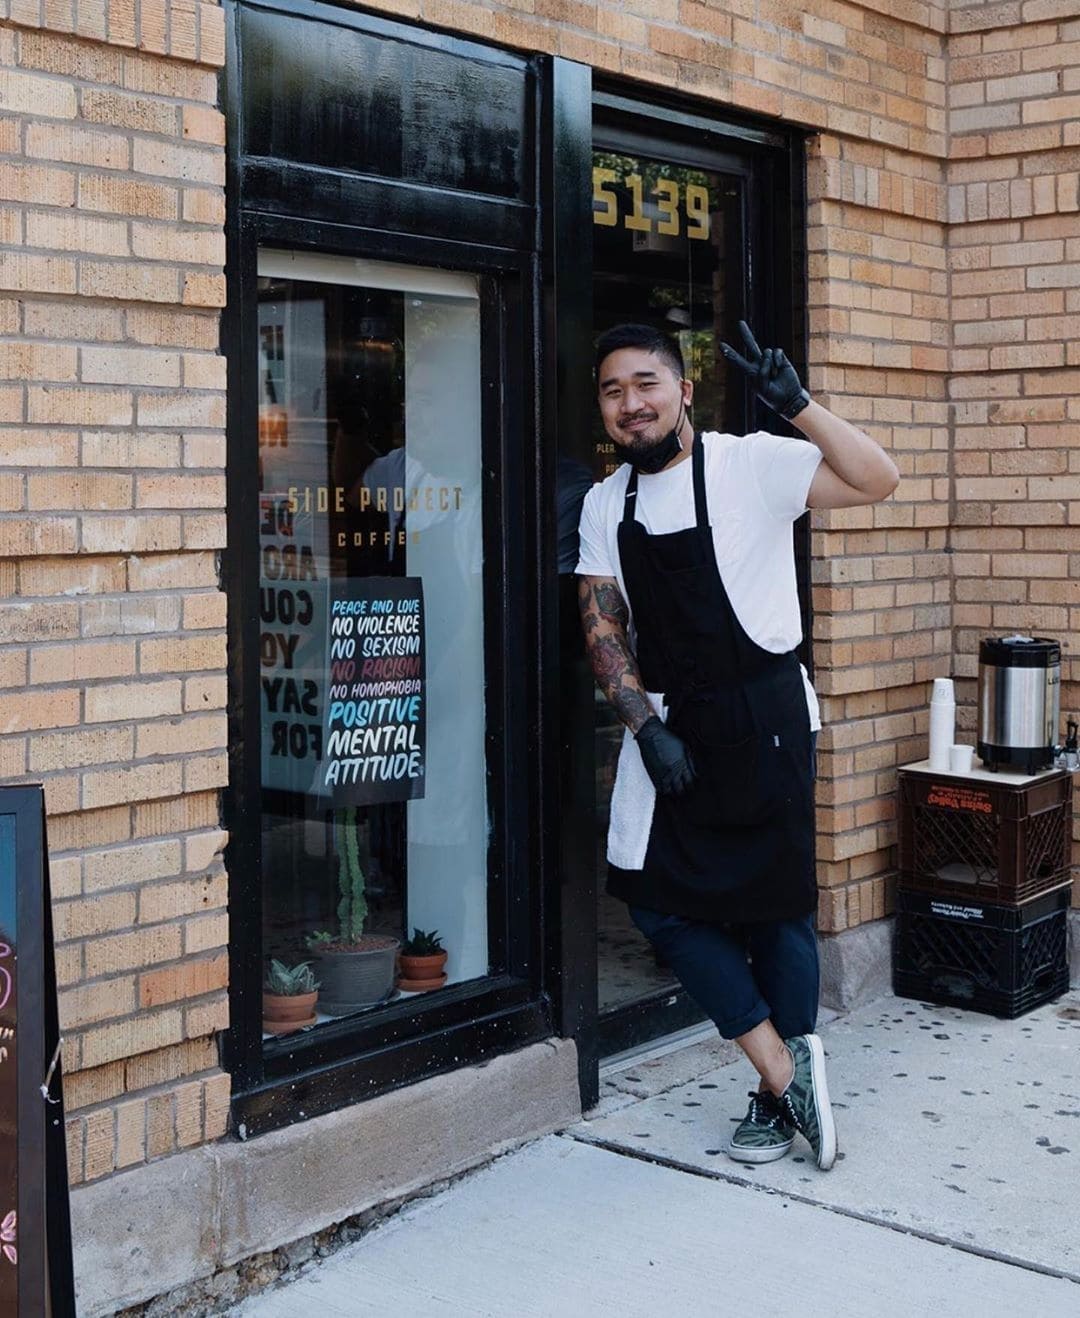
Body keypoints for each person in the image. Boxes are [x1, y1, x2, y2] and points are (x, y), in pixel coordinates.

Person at [576, 322, 899, 1170]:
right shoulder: (610, 503)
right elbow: (603, 628)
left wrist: (798, 406)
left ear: (683, 392)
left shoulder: (751, 460)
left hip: (767, 716)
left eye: (645, 383)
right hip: (672, 725)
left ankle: (768, 1102)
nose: (630, 404)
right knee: (653, 903)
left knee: (777, 911)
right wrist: (645, 728)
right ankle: (785, 1067)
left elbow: (878, 479)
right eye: (613, 391)